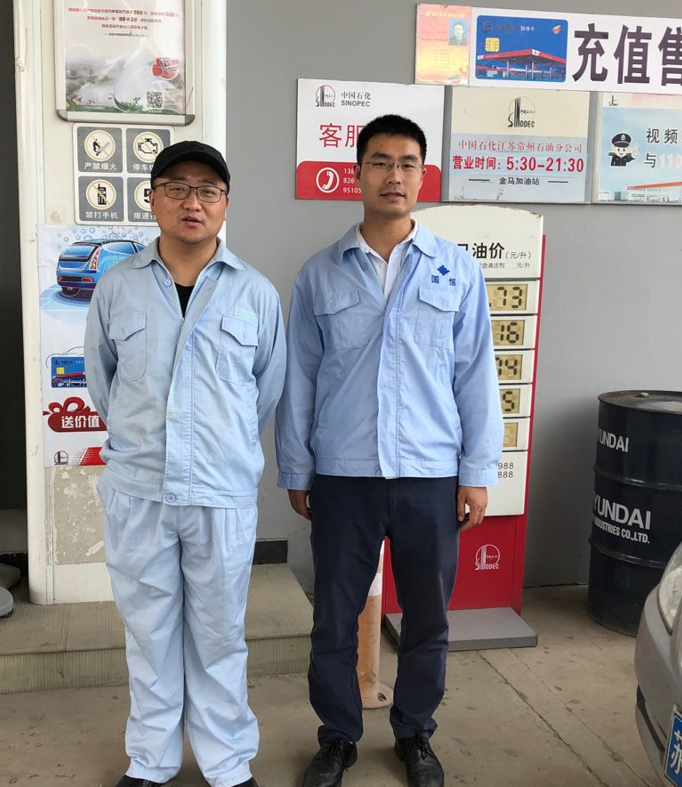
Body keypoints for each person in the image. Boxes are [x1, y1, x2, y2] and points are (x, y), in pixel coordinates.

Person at [275, 115, 503, 787]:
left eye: (407, 163)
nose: (393, 175)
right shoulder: (319, 274)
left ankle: (415, 732)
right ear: (357, 174)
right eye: (380, 162)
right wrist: (296, 467)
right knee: (333, 618)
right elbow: (300, 379)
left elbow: (475, 375)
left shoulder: (456, 269)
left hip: (431, 475)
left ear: (422, 176)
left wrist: (476, 473)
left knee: (428, 618)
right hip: (344, 473)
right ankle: (337, 736)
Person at [85, 140, 286, 787]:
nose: (191, 201)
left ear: (225, 204)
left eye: (207, 190)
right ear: (152, 199)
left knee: (219, 635)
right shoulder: (117, 287)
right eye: (176, 188)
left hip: (219, 494)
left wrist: (217, 446)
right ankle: (151, 760)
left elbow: (265, 392)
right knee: (148, 633)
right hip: (140, 491)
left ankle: (227, 763)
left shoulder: (254, 293)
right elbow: (103, 384)